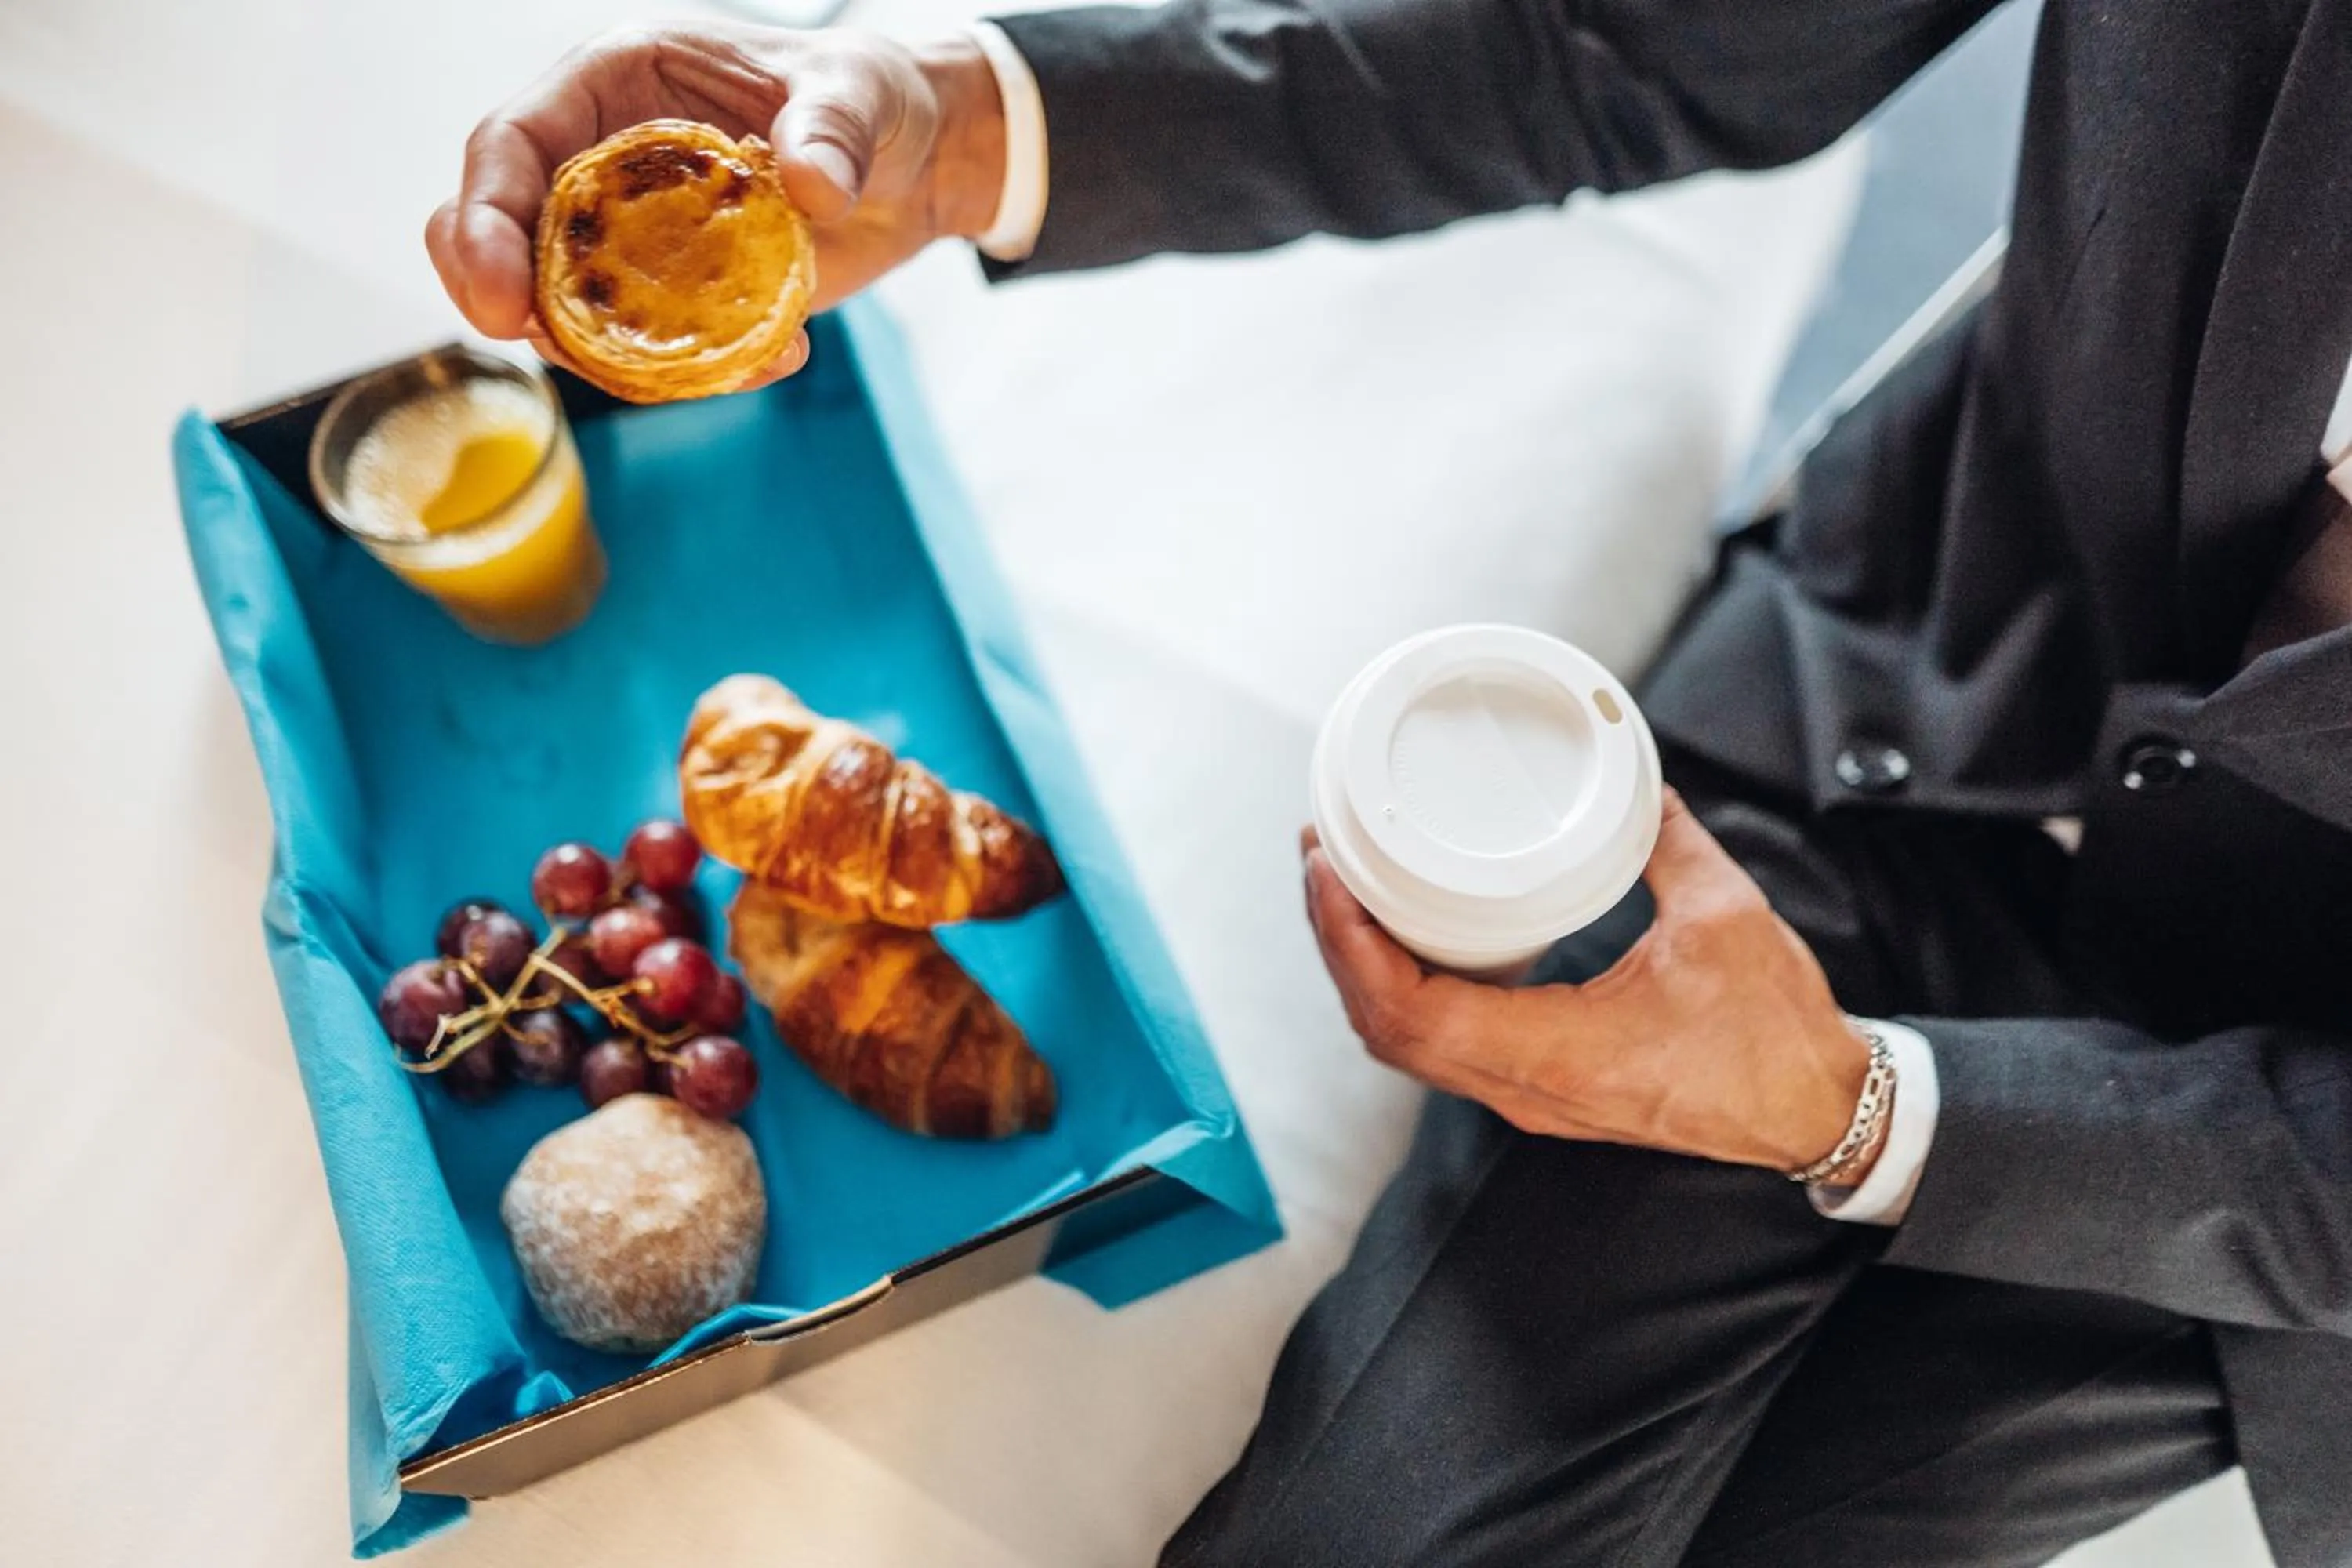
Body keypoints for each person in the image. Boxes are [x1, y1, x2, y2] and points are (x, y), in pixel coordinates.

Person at [429, 4, 2352, 1563]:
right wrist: (964, 123)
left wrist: (1853, 1110)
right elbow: (1617, 41)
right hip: (1904, 701)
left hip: (2269, 1196)